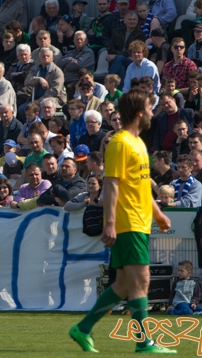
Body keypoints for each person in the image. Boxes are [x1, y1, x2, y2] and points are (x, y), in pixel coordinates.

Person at [69, 89, 173, 354]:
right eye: (149, 108)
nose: (152, 113)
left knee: (125, 284)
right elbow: (112, 184)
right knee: (141, 280)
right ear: (139, 113)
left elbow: (141, 186)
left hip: (140, 221)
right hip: (127, 222)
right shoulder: (120, 143)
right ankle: (143, 342)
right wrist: (110, 223)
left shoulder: (139, 144)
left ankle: (83, 328)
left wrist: (158, 214)